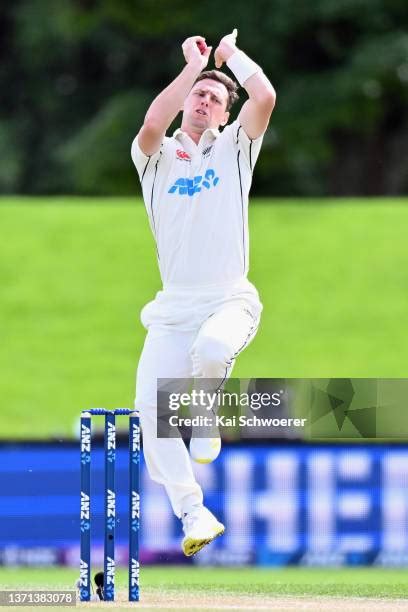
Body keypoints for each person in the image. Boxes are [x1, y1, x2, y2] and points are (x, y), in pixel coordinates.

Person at [131, 29, 276, 556]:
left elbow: (264, 98)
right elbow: (151, 123)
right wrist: (194, 69)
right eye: (199, 93)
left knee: (212, 351)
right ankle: (194, 513)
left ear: (222, 115)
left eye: (215, 98)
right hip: (173, 308)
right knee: (152, 409)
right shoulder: (156, 157)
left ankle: (207, 414)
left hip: (228, 299)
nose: (204, 99)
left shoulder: (236, 148)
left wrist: (230, 56)